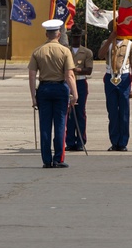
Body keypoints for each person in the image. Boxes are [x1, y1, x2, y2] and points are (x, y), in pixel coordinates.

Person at [28, 19, 77, 168]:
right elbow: (69, 75)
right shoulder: (65, 51)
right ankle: (58, 159)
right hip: (60, 88)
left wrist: (33, 97)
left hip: (43, 89)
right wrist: (75, 94)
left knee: (45, 126)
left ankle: (46, 161)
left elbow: (31, 75)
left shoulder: (38, 51)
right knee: (61, 124)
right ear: (59, 34)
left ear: (46, 34)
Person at [98, 19, 132, 151]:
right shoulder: (107, 43)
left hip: (124, 78)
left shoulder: (131, 46)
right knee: (112, 112)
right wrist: (110, 39)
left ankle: (123, 142)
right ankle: (114, 141)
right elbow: (100, 55)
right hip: (110, 77)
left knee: (124, 112)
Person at [65, 29, 93, 151]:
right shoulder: (66, 51)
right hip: (68, 82)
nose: (76, 39)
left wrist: (74, 70)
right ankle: (70, 141)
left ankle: (81, 140)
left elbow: (89, 70)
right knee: (69, 113)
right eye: (74, 37)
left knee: (80, 112)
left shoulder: (86, 52)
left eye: (78, 37)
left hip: (80, 82)